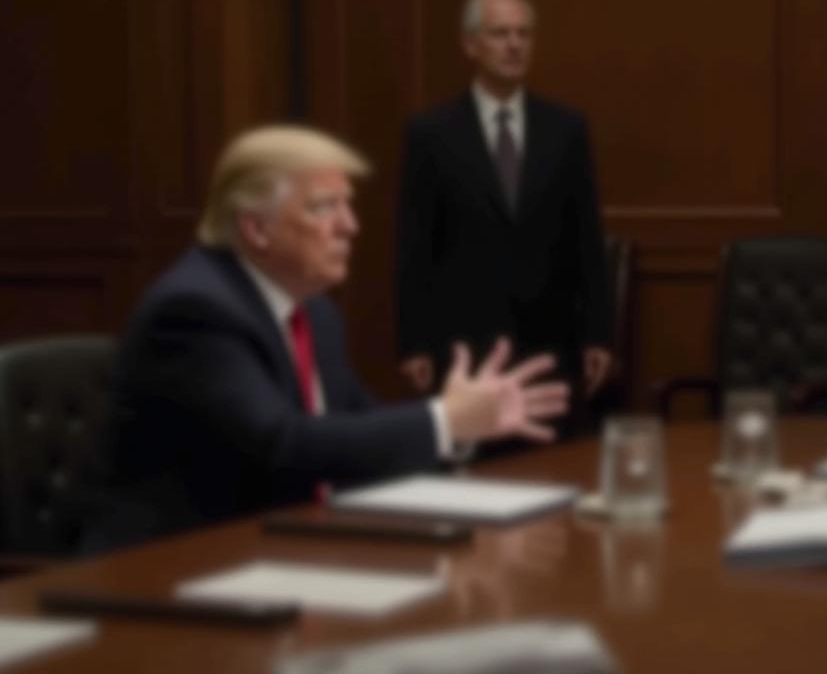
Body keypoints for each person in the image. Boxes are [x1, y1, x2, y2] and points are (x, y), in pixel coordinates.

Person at [87, 126, 569, 551]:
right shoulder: (195, 312)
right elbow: (281, 445)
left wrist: (458, 429)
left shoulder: (315, 312)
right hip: (172, 568)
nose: (350, 226)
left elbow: (353, 427)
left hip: (284, 545)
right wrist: (443, 420)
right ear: (256, 228)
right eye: (324, 208)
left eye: (348, 205)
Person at [395, 0, 611, 445]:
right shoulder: (432, 132)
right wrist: (413, 342)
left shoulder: (566, 129)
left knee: (552, 466)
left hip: (550, 340)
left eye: (523, 34)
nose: (514, 45)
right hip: (465, 344)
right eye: (500, 34)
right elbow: (415, 245)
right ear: (470, 44)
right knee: (474, 470)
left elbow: (587, 239)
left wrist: (597, 334)